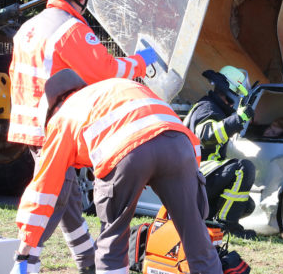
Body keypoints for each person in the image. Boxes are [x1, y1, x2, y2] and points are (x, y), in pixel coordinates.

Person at [7, 0, 158, 273]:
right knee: (55, 196)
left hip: (29, 123)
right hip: (54, 127)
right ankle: (26, 260)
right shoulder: (71, 29)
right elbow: (106, 71)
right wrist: (142, 63)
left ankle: (86, 260)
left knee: (69, 199)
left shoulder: (30, 26)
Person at [14, 70, 222, 274]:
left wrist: (26, 246)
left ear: (52, 109)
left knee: (113, 237)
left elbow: (44, 187)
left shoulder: (62, 117)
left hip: (126, 152)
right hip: (180, 146)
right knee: (197, 239)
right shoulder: (113, 89)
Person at [184, 65, 257, 239]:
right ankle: (227, 226)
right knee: (243, 168)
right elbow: (208, 135)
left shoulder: (215, 108)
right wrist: (238, 119)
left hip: (199, 179)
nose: (235, 103)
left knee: (246, 205)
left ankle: (207, 220)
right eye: (236, 98)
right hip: (194, 177)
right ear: (230, 92)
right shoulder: (207, 108)